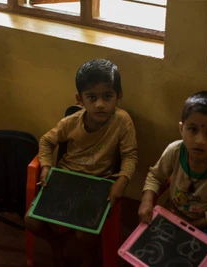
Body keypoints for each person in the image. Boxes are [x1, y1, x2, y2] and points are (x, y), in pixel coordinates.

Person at [24, 59, 138, 267]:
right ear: (80, 99)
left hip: (98, 183)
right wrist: (47, 167)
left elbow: (130, 156)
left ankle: (88, 253)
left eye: (107, 96)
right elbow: (46, 141)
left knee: (84, 234)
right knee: (30, 221)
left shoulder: (122, 121)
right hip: (66, 178)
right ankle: (56, 243)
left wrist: (122, 181)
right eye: (92, 97)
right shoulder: (71, 122)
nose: (100, 104)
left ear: (118, 96)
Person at [138, 91, 207, 267]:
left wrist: (194, 224)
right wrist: (146, 201)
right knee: (146, 252)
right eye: (192, 129)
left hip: (206, 228)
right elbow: (155, 176)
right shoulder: (175, 151)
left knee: (198, 261)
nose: (200, 140)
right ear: (181, 129)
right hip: (171, 215)